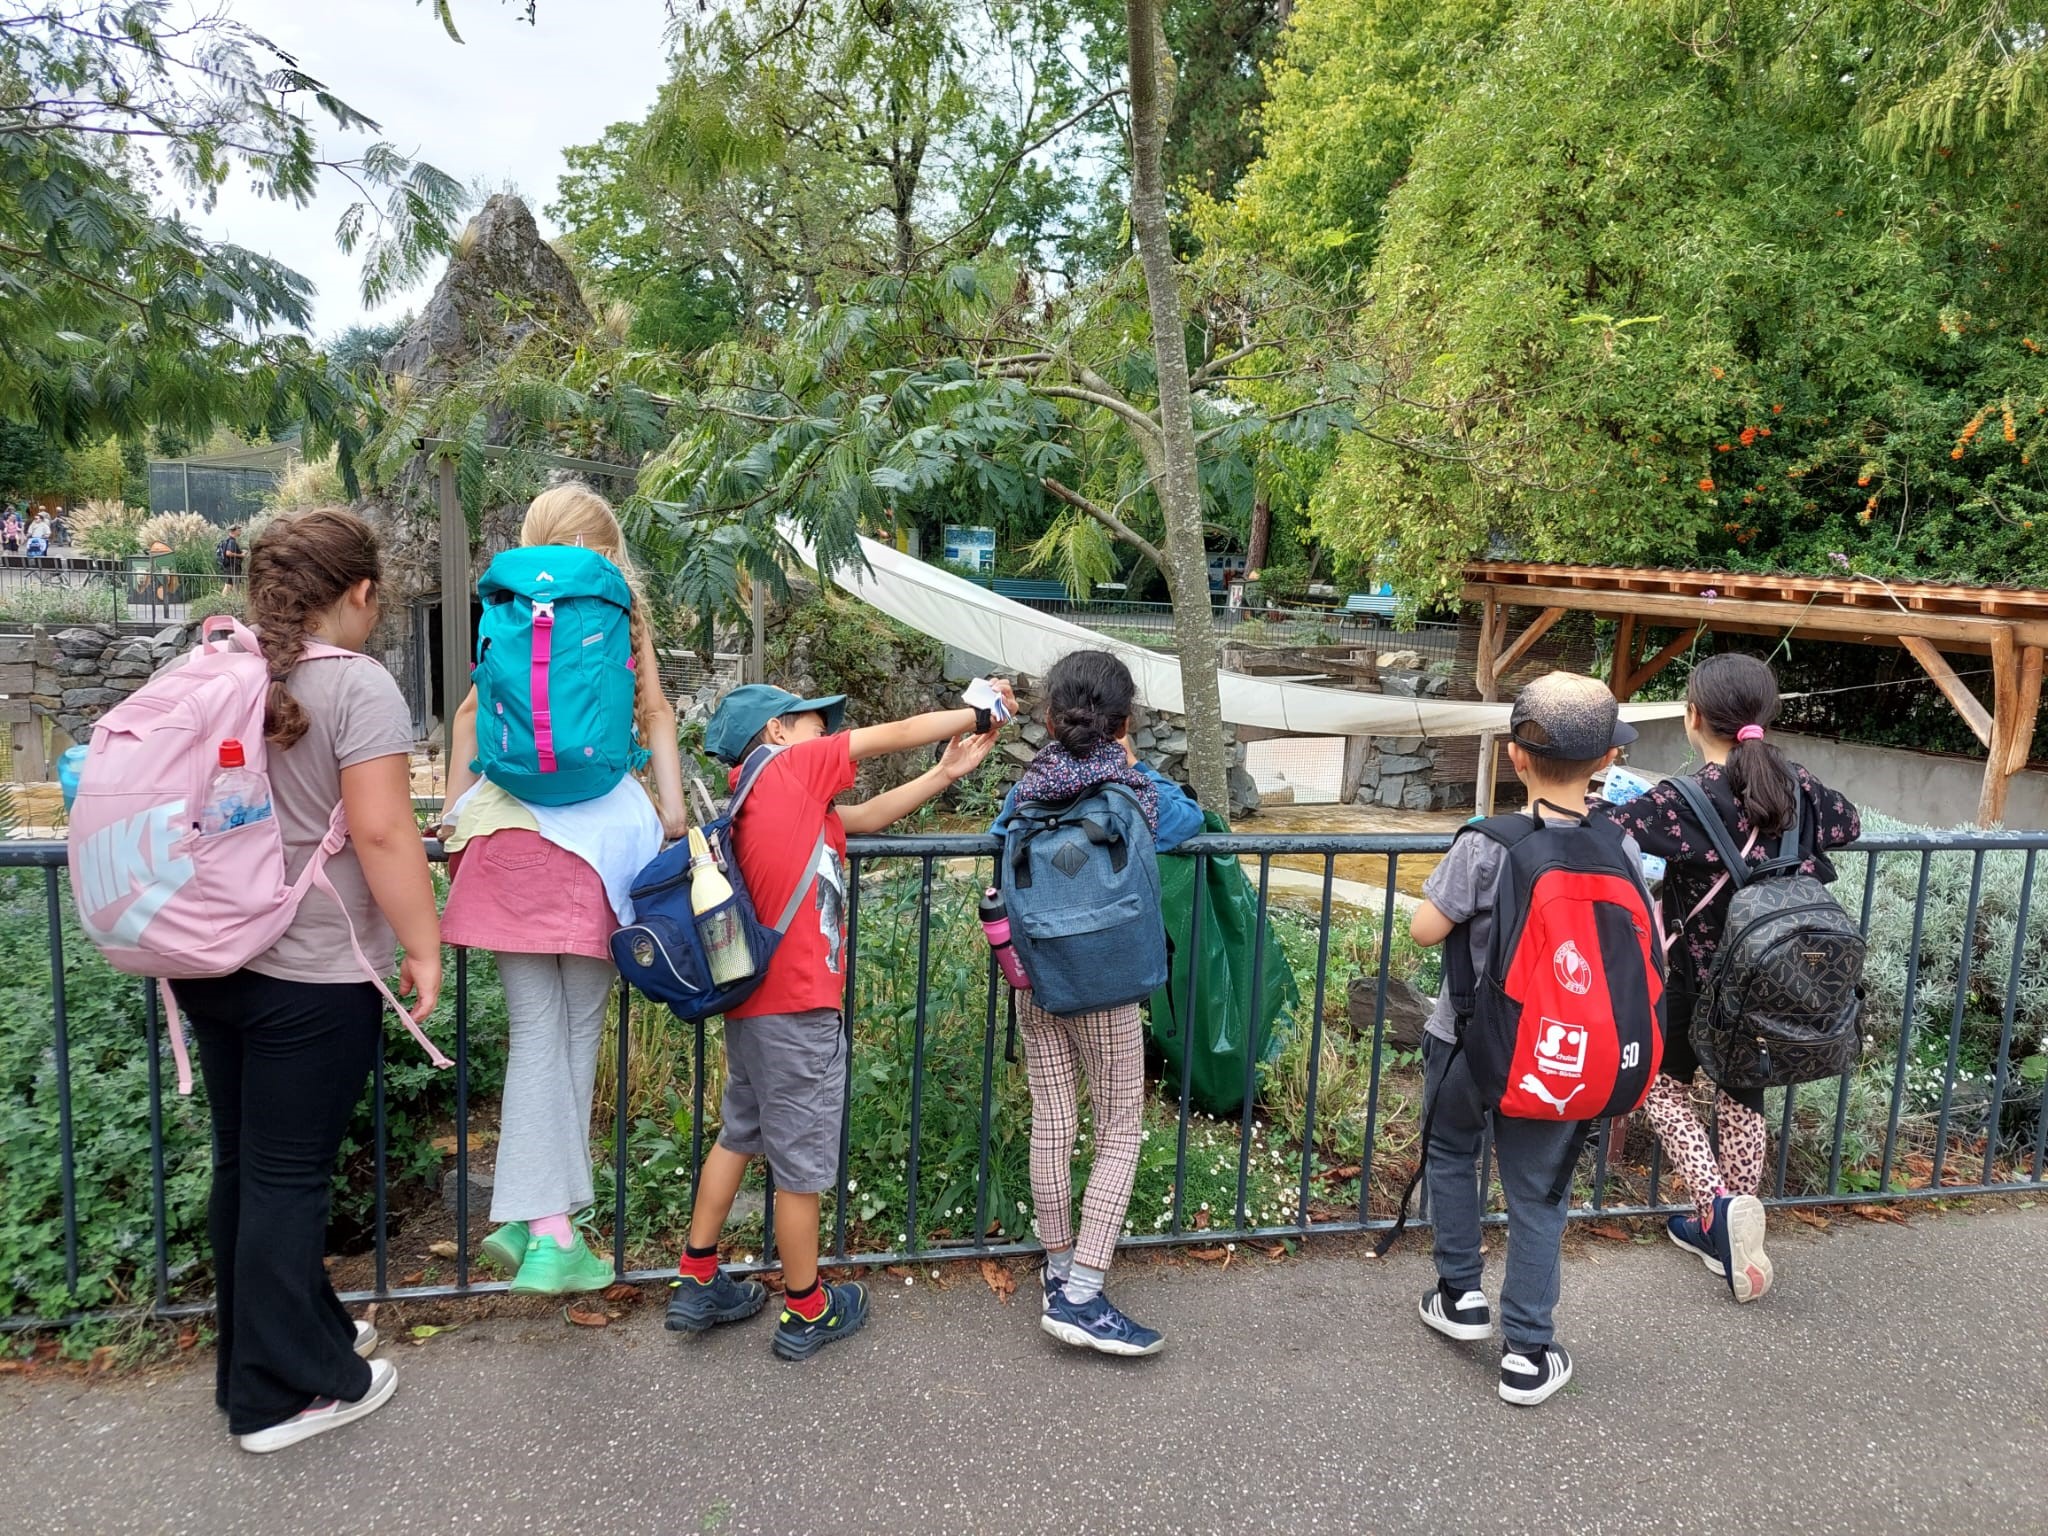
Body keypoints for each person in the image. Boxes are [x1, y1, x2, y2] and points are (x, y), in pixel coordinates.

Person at [170, 508, 440, 1452]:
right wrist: (423, 945)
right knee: (287, 1178)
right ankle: (281, 1396)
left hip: (208, 959)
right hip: (312, 970)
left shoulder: (217, 665)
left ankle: (268, 1349)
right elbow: (382, 830)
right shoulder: (357, 684)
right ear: (360, 591)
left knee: (245, 1166)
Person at [667, 679, 1006, 1358]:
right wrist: (977, 712)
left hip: (754, 1007)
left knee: (739, 1134)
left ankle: (697, 1278)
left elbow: (868, 815)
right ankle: (806, 1309)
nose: (824, 730)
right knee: (800, 1165)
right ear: (776, 731)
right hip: (797, 1010)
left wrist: (944, 773)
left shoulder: (762, 796)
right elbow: (895, 733)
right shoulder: (791, 768)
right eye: (811, 721)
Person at [435, 484, 688, 1295]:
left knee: (534, 1036)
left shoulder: (507, 605)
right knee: (573, 1036)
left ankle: (531, 1220)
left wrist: (452, 814)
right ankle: (551, 1233)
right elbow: (656, 716)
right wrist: (674, 815)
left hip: (500, 836)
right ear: (609, 551)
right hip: (592, 849)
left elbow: (468, 719)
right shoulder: (619, 612)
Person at [1409, 672, 1643, 1407]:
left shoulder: (1488, 844)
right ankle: (1528, 1354)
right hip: (1558, 1054)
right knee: (1539, 1196)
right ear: (1607, 759)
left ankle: (1459, 1296)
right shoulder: (1622, 848)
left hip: (1467, 1039)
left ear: (1515, 756)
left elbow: (1425, 929)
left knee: (1453, 1153)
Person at [1595, 652, 1859, 1303]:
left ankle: (1717, 1208)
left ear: (1692, 716)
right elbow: (1848, 824)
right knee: (1744, 1097)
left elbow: (1604, 831)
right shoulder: (1796, 787)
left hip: (1697, 980)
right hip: (1774, 984)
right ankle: (1737, 1226)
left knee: (1660, 1086)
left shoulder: (1681, 800)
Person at [990, 650, 1203, 1357]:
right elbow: (1190, 819)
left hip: (1041, 977)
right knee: (1118, 1129)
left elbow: (998, 841)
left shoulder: (1026, 791)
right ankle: (1081, 1296)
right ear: (1124, 721)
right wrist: (1134, 760)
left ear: (1051, 719)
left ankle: (1057, 1268)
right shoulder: (1133, 790)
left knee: (1054, 1119)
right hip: (1109, 984)